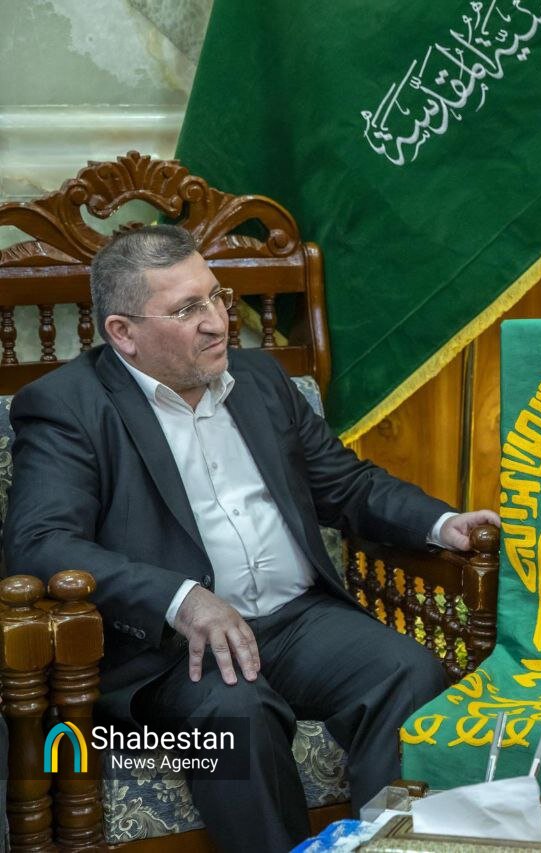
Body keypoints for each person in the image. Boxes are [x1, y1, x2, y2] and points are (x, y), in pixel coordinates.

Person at [2, 225, 500, 852]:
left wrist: (441, 524)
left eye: (217, 297)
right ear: (123, 332)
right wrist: (181, 598)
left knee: (407, 672)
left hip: (296, 620)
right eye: (187, 309)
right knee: (238, 719)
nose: (217, 323)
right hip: (168, 655)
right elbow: (40, 542)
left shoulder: (261, 381)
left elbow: (345, 485)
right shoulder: (68, 406)